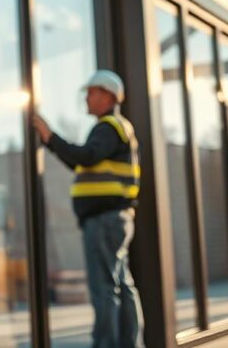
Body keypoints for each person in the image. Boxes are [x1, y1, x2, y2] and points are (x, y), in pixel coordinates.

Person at [32, 70, 144, 348]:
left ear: (107, 96)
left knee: (104, 289)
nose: (86, 97)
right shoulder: (114, 128)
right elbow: (84, 162)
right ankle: (130, 344)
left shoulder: (109, 127)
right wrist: (52, 142)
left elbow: (86, 156)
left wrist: (50, 136)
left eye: (91, 92)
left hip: (105, 220)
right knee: (121, 285)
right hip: (114, 218)